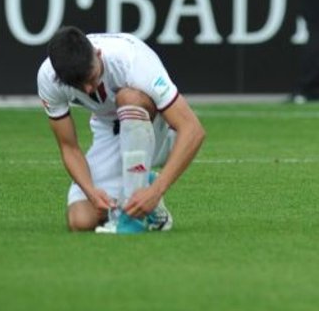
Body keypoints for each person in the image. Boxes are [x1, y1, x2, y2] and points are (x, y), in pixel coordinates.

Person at [37, 27, 206, 233]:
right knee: (80, 221)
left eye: (91, 77)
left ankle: (132, 218)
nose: (89, 89)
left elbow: (193, 129)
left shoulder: (132, 61)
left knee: (128, 98)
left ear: (98, 54)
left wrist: (157, 190)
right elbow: (68, 147)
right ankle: (143, 182)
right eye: (79, 85)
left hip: (160, 130)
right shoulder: (48, 77)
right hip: (109, 129)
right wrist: (91, 192)